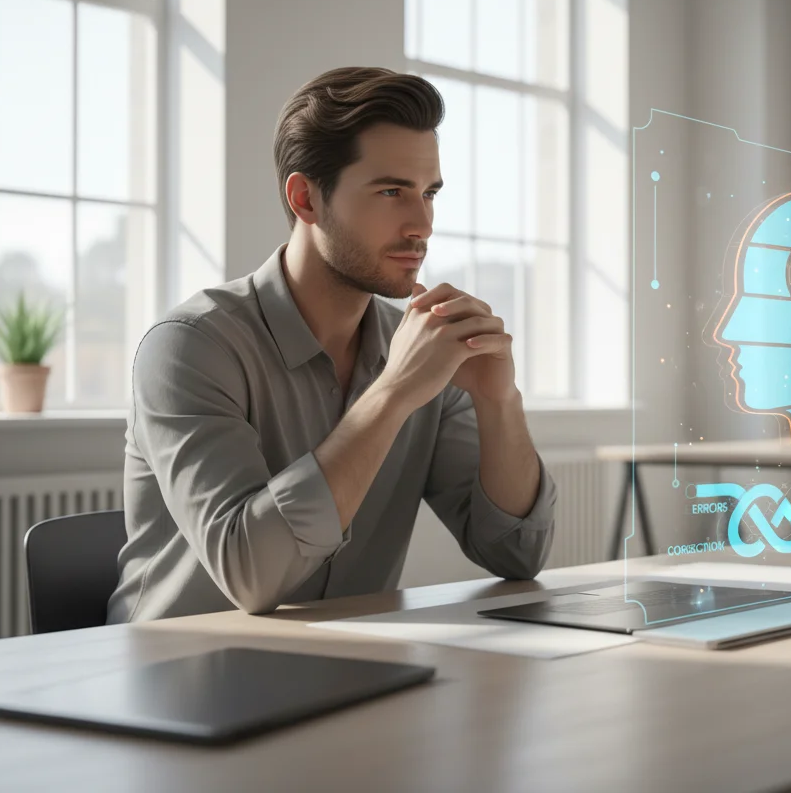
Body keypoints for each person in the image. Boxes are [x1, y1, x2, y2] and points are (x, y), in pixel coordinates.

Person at [107, 67, 556, 622]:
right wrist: (392, 393)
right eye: (391, 191)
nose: (422, 224)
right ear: (306, 199)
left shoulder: (420, 346)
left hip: (344, 666)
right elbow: (252, 576)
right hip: (170, 679)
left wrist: (498, 400)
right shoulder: (189, 347)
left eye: (429, 193)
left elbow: (518, 553)